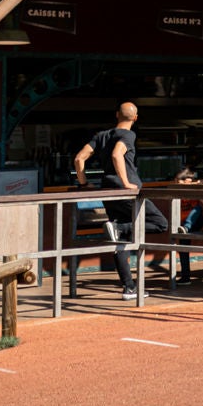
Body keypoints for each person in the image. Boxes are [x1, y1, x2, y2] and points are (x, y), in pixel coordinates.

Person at [73, 102, 168, 301]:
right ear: (135, 118)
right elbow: (117, 154)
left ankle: (129, 287)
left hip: (107, 189)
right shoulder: (129, 135)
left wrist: (83, 184)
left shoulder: (101, 136)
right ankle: (122, 229)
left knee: (119, 243)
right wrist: (126, 183)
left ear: (117, 115)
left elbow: (79, 159)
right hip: (126, 191)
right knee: (161, 224)